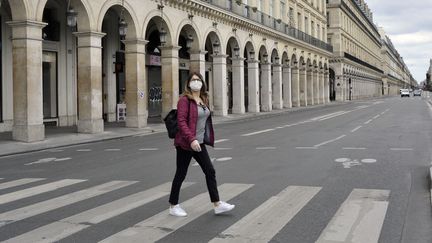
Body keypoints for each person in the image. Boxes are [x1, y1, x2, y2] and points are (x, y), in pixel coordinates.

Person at [168, 72, 235, 217]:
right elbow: (181, 122)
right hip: (186, 143)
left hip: (199, 143)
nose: (196, 82)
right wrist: (191, 139)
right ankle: (173, 205)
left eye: (198, 79)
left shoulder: (203, 98)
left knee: (210, 170)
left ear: (202, 82)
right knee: (181, 174)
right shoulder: (184, 100)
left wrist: (201, 138)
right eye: (193, 80)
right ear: (188, 83)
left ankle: (217, 204)